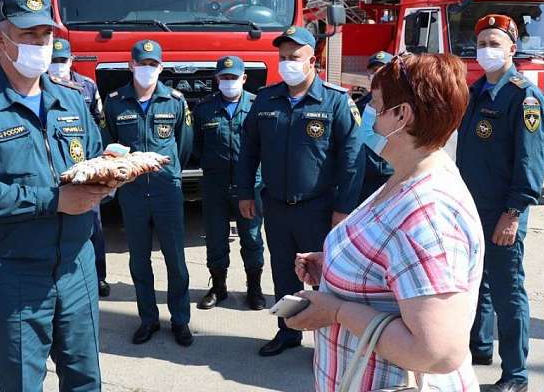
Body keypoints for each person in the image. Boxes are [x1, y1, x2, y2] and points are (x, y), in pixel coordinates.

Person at [0, 0, 113, 390]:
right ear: (1, 39)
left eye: (45, 35)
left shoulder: (70, 99)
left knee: (86, 379)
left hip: (76, 266)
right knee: (21, 383)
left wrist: (111, 176)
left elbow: (94, 158)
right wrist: (54, 200)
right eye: (28, 35)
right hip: (11, 271)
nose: (40, 45)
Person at [286, 53, 483, 392]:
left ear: (401, 115)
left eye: (375, 105)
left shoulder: (427, 213)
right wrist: (334, 266)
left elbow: (438, 353)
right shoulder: (406, 176)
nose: (367, 115)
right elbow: (391, 264)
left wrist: (335, 311)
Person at [236, 26, 364, 357]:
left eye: (294, 57)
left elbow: (352, 160)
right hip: (276, 206)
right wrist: (245, 192)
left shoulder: (335, 101)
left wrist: (343, 209)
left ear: (313, 60)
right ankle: (288, 333)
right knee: (283, 274)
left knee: (326, 280)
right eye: (283, 57)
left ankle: (329, 344)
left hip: (318, 209)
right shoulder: (266, 99)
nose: (287, 63)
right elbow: (248, 148)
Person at [457, 14, 544, 392]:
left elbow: (530, 163)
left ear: (513, 49)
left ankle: (516, 375)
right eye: (482, 43)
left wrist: (512, 215)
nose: (487, 50)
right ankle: (478, 348)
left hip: (502, 212)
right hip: (472, 207)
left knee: (508, 292)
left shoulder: (523, 95)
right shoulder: (477, 90)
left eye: (495, 44)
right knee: (478, 284)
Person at [101, 39, 195, 347]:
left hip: (167, 191)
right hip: (133, 193)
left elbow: (184, 144)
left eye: (153, 64)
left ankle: (180, 320)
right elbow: (109, 145)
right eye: (142, 63)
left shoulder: (175, 101)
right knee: (139, 260)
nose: (147, 69)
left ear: (161, 67)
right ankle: (148, 320)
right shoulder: (115, 102)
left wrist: (167, 172)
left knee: (175, 261)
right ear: (131, 65)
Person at [192, 56, 265, 311]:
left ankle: (254, 288)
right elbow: (197, 146)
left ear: (244, 78)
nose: (229, 82)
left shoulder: (258, 105)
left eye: (234, 77)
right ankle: (218, 287)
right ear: (217, 79)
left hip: (250, 182)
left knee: (252, 237)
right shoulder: (204, 108)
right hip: (216, 183)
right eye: (224, 77)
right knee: (215, 236)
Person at [49, 37, 111, 297]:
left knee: (93, 223)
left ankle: (99, 277)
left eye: (62, 60)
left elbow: (99, 121)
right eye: (53, 61)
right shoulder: (39, 87)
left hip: (85, 165)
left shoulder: (86, 87)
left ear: (71, 61)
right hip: (55, 166)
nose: (57, 66)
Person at [355, 51, 395, 204]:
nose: (377, 75)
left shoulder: (404, 107)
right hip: (366, 177)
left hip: (393, 174)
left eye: (383, 70)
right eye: (373, 71)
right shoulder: (358, 106)